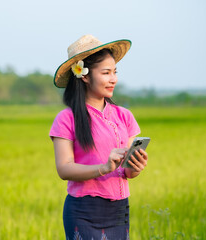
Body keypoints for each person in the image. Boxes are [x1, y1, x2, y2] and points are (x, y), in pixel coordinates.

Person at [49, 35, 149, 239]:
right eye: (106, 73)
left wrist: (135, 167)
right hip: (83, 210)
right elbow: (64, 168)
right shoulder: (66, 118)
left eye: (115, 72)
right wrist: (104, 168)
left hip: (119, 209)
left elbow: (127, 173)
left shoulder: (124, 116)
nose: (114, 79)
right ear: (84, 76)